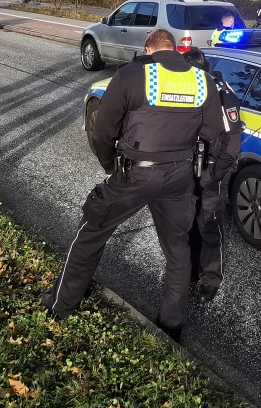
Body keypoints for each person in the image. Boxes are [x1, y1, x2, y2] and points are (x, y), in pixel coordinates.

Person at [40, 28, 229, 340]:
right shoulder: (201, 80)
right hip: (180, 177)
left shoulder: (133, 74)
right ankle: (171, 325)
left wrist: (109, 164)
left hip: (135, 173)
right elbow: (214, 136)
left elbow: (102, 130)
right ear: (175, 50)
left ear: (148, 49)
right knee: (178, 251)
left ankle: (61, 305)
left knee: (91, 231)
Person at [182, 48, 242, 301]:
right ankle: (190, 271)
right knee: (185, 223)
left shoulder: (221, 94)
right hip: (184, 169)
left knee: (208, 226)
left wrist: (214, 174)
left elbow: (232, 141)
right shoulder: (185, 88)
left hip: (209, 169)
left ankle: (210, 278)